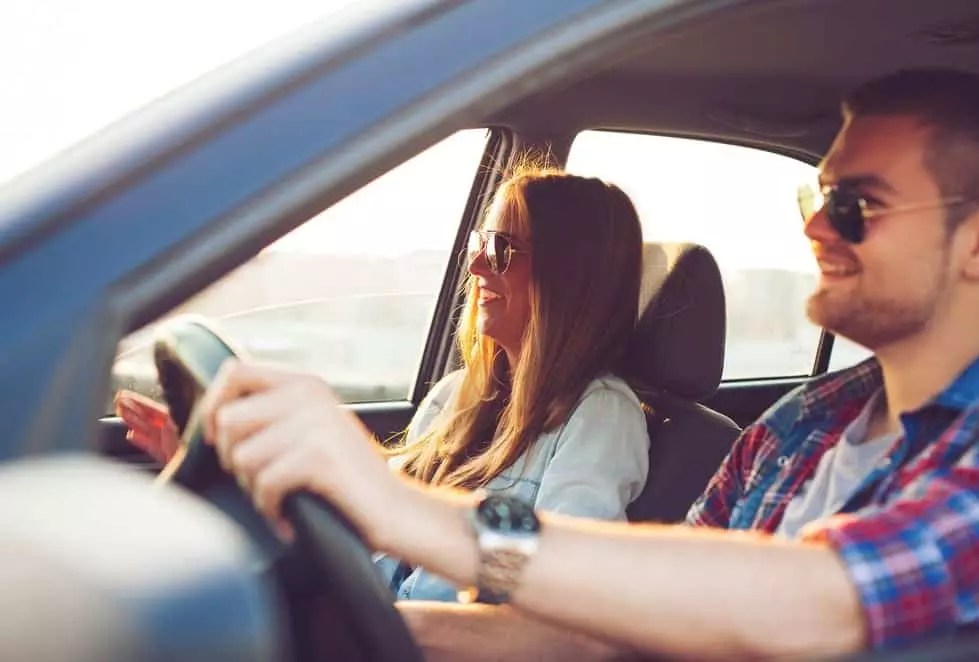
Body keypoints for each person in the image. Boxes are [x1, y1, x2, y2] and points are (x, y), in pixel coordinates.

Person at [199, 68, 979, 660]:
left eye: (856, 206)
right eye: (816, 200)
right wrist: (369, 633)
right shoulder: (799, 426)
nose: (817, 229)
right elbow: (609, 628)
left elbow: (824, 606)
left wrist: (400, 508)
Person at [120, 167, 652, 603]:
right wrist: (221, 467)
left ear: (567, 276)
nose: (475, 265)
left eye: (502, 250)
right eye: (480, 243)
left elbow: (562, 587)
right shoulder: (457, 397)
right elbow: (368, 520)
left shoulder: (601, 417)